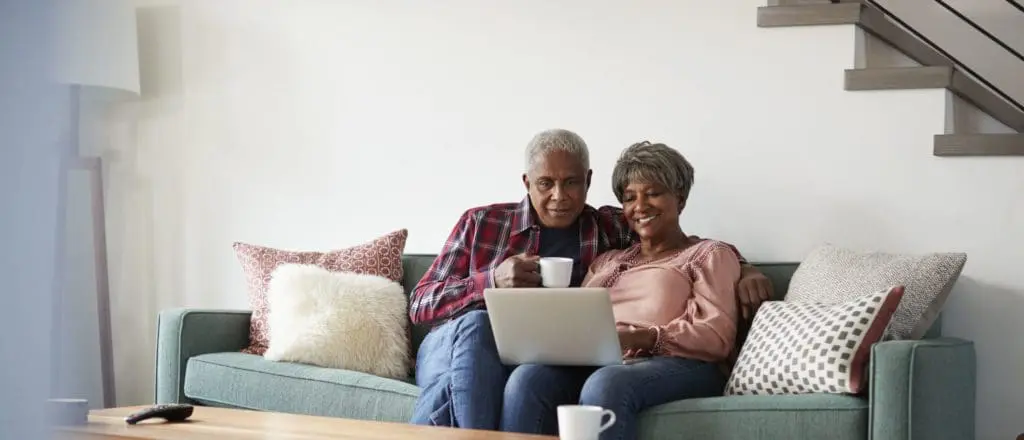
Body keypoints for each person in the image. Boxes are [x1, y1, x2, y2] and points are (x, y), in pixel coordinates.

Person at [407, 129, 771, 431]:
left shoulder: (608, 230)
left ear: (588, 181)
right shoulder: (483, 223)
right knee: (479, 324)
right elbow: (420, 303)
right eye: (546, 183)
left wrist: (748, 269)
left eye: (571, 183)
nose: (559, 197)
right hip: (454, 344)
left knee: (529, 378)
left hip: (637, 359)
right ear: (527, 182)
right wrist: (490, 281)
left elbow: (693, 252)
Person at [500, 141, 743, 440]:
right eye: (630, 198)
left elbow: (716, 337)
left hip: (682, 364)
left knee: (606, 383)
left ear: (679, 199)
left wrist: (640, 337)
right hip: (606, 361)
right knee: (528, 378)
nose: (640, 206)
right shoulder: (607, 260)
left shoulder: (707, 254)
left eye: (653, 193)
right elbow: (578, 321)